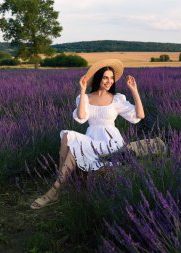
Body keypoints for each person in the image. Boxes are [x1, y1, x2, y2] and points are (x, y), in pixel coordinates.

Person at [30, 59, 145, 210]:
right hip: (92, 138)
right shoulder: (85, 98)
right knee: (67, 136)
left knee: (73, 147)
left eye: (111, 78)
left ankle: (53, 192)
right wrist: (83, 91)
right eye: (105, 77)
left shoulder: (117, 99)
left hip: (111, 142)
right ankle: (59, 184)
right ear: (98, 78)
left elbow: (139, 115)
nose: (109, 81)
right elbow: (81, 117)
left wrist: (134, 91)